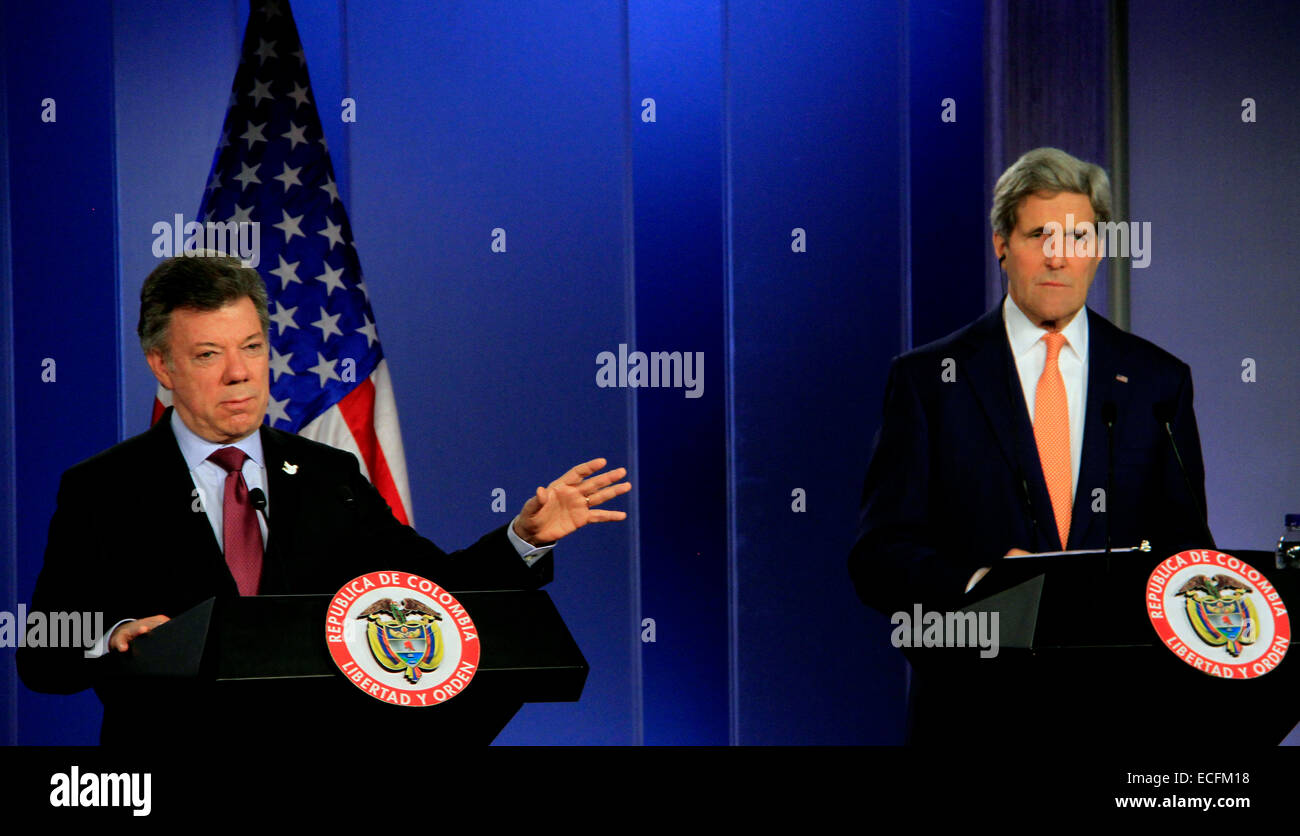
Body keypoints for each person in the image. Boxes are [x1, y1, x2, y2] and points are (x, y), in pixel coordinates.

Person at [18, 254, 630, 743]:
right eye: (209, 354)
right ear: (163, 365)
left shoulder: (327, 474)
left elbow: (430, 590)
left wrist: (522, 540)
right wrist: (117, 633)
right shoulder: (103, 487)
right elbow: (42, 646)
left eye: (252, 347)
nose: (240, 373)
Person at [848, 148, 1212, 742]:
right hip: (973, 713)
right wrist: (979, 582)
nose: (1057, 256)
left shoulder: (1156, 380)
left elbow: (1189, 549)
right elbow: (878, 556)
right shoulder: (930, 381)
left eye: (1077, 236)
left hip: (1120, 715)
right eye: (1039, 233)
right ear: (1001, 243)